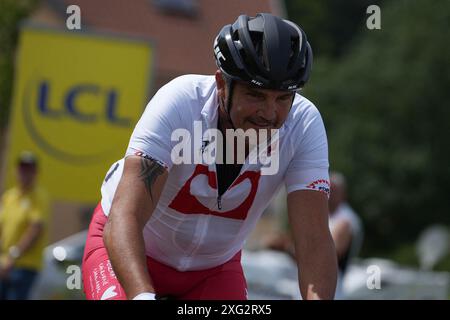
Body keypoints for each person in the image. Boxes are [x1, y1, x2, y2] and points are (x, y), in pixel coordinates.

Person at [82, 13, 338, 300]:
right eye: (255, 95)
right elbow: (126, 216)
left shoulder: (303, 124)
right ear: (221, 84)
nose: (269, 113)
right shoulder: (180, 103)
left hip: (213, 270)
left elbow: (313, 240)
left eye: (282, 99)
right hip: (130, 248)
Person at [0, 151, 50, 300]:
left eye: (29, 169)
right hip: (4, 263)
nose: (25, 173)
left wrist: (13, 255)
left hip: (25, 266)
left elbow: (35, 229)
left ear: (35, 172)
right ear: (16, 170)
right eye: (22, 168)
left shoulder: (39, 196)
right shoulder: (9, 196)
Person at [328, 172, 363, 299]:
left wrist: (289, 248)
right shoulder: (326, 216)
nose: (329, 194)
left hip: (333, 288)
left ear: (343, 194)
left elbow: (331, 255)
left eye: (333, 190)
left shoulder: (346, 220)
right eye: (328, 189)